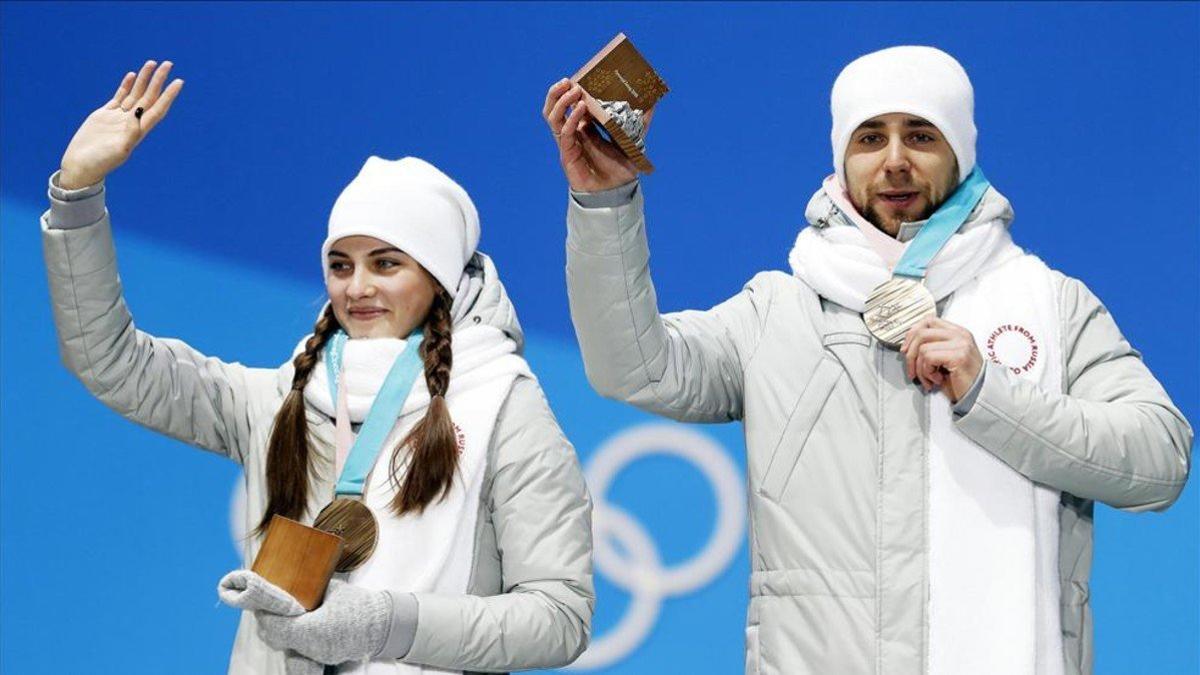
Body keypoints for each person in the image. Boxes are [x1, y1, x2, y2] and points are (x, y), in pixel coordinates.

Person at [543, 45, 1192, 674]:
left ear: (961, 152)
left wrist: (988, 394)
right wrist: (606, 205)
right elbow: (633, 366)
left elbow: (1161, 458)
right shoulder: (778, 311)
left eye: (921, 135)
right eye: (870, 138)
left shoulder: (1051, 304)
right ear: (841, 156)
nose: (896, 162)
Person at [45, 60, 593, 675]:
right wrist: (77, 194)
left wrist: (388, 624)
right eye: (341, 264)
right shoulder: (277, 401)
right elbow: (109, 360)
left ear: (437, 276)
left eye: (387, 264)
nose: (358, 287)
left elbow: (558, 615)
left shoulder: (503, 405)